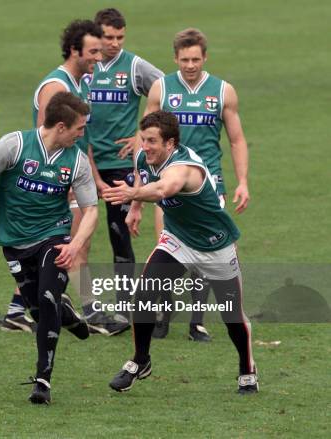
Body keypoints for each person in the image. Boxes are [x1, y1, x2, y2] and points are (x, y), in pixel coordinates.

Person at [102, 110, 258, 394]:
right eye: (143, 139)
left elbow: (164, 188)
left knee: (232, 315)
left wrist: (132, 196)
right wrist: (136, 208)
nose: (145, 146)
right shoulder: (144, 156)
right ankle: (140, 361)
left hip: (215, 245)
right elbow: (143, 176)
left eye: (152, 141)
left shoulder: (184, 168)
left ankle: (247, 369)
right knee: (145, 296)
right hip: (178, 240)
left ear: (170, 144)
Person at [0, 92, 98, 404]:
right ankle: (67, 316)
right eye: (80, 128)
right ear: (60, 126)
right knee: (37, 308)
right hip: (15, 243)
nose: (83, 133)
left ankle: (43, 380)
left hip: (54, 237)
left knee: (46, 299)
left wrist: (75, 244)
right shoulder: (15, 145)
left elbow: (91, 210)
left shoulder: (77, 161)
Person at [144, 28, 250, 341]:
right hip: (168, 184)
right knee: (167, 248)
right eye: (184, 59)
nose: (190, 65)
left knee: (205, 252)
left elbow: (236, 139)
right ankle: (163, 313)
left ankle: (197, 321)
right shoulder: (161, 89)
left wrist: (242, 181)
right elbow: (147, 135)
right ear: (175, 58)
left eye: (196, 59)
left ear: (205, 57)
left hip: (207, 185)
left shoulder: (222, 91)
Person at [1, 19, 105, 334]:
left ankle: (22, 310)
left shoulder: (82, 83)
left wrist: (95, 179)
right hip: (50, 181)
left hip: (69, 174)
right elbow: (46, 138)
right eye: (93, 51)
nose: (98, 58)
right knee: (61, 248)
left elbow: (79, 141)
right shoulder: (56, 87)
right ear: (74, 50)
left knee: (71, 245)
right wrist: (62, 180)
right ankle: (86, 312)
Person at [85, 8, 163, 335]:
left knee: (119, 235)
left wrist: (140, 134)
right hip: (84, 164)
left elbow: (167, 89)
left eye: (120, 37)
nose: (114, 44)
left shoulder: (133, 67)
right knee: (76, 233)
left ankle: (124, 308)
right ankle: (79, 304)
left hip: (119, 166)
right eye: (108, 37)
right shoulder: (83, 69)